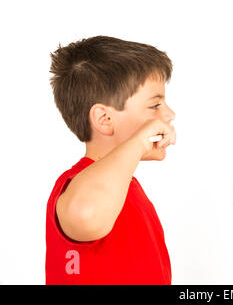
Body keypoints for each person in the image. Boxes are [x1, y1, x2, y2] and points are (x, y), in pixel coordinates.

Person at [46, 36, 176, 284]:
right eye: (155, 105)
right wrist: (138, 143)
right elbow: (86, 214)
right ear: (104, 119)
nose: (169, 114)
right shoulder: (77, 185)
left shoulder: (126, 185)